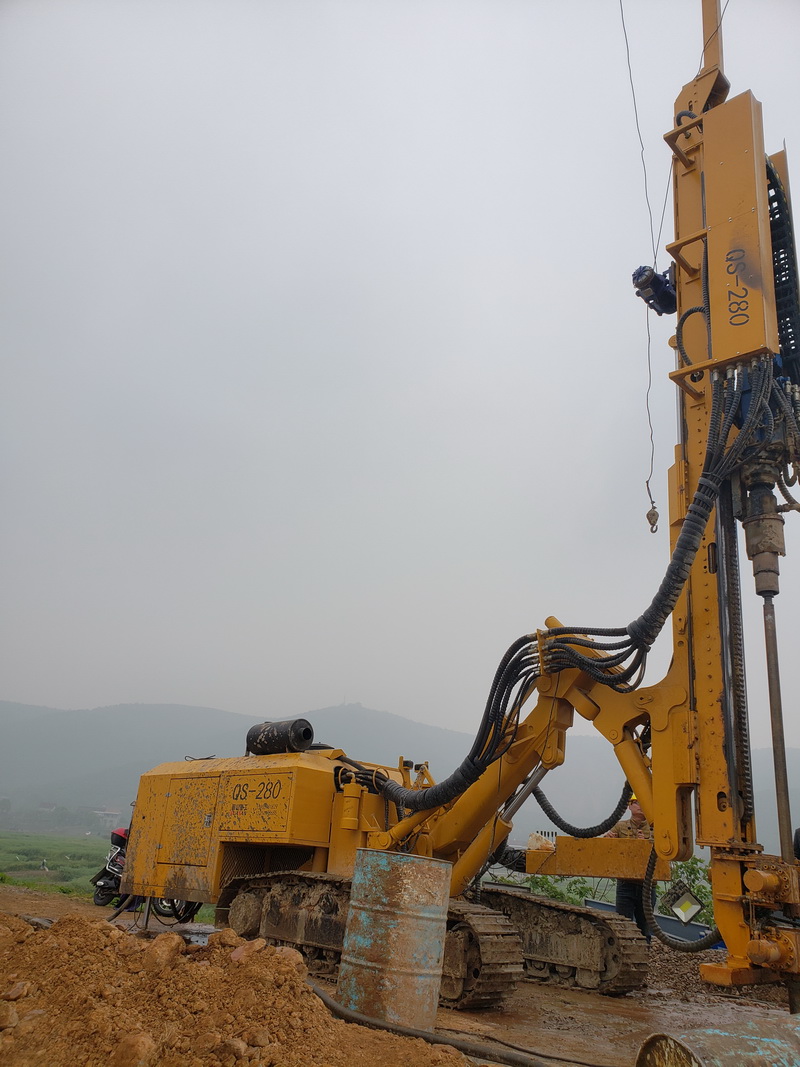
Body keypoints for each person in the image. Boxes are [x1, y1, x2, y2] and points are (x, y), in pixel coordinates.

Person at [604, 795, 656, 943]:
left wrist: (645, 845)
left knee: (644, 927)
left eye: (644, 801)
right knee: (622, 924)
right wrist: (608, 838)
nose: (640, 805)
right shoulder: (620, 826)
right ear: (630, 806)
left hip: (647, 885)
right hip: (625, 883)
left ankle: (644, 954)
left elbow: (663, 852)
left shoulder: (657, 829)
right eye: (637, 802)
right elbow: (605, 846)